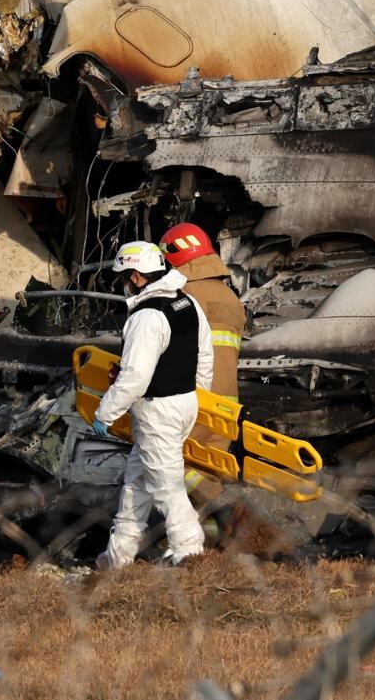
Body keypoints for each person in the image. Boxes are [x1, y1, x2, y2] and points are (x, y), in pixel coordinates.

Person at [93, 240, 213, 569]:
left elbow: (135, 377)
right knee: (137, 482)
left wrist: (105, 413)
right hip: (183, 402)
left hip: (157, 410)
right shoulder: (186, 302)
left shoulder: (147, 316)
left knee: (165, 486)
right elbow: (204, 355)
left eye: (124, 277)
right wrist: (197, 395)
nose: (123, 283)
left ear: (136, 276)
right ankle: (117, 558)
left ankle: (190, 553)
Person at [161, 222, 245, 503]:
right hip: (226, 403)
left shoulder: (184, 295)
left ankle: (224, 509)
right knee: (209, 467)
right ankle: (209, 525)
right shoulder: (231, 297)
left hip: (192, 397)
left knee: (173, 462)